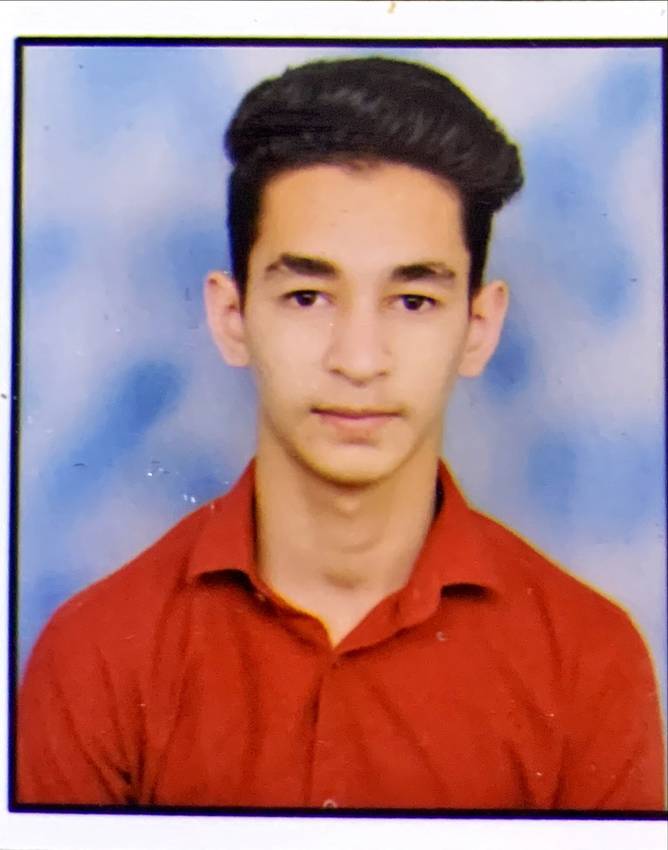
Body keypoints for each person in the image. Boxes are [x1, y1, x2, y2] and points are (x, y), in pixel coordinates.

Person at [17, 55, 665, 810]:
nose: (359, 361)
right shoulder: (95, 654)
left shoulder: (589, 662)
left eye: (414, 301)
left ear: (479, 327)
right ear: (232, 318)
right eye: (307, 296)